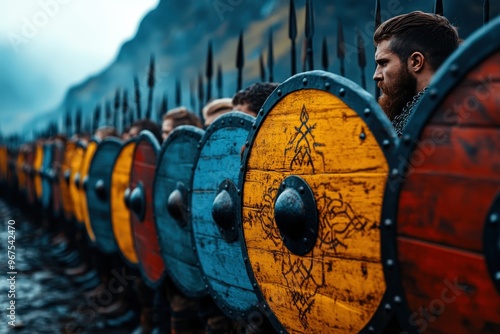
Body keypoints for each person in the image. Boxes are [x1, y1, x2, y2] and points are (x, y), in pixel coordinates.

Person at [372, 11, 459, 136]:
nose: (376, 75)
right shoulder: (415, 118)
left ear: (416, 61)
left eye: (383, 63)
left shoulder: (437, 120)